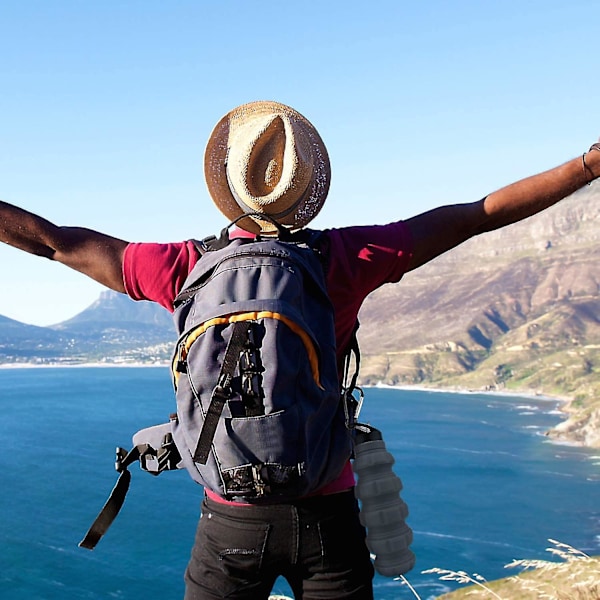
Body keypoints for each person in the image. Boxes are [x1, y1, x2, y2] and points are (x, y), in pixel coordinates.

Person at [1, 100, 599, 599]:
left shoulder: (180, 267)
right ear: (307, 188)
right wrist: (587, 167)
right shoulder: (342, 259)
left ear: (228, 188)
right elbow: (477, 215)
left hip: (228, 517)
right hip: (327, 515)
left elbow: (56, 243)